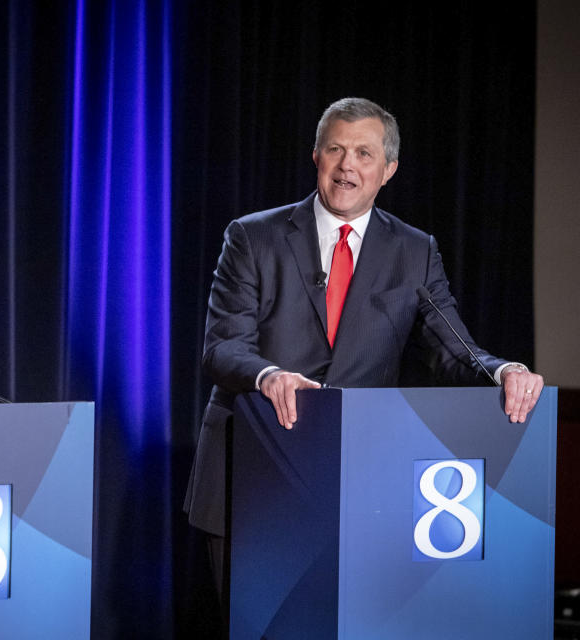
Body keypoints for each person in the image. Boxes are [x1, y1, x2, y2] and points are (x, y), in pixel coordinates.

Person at [183, 97, 544, 601]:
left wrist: (506, 369)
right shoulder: (252, 236)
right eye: (336, 149)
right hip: (254, 474)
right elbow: (222, 347)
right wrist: (269, 376)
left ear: (388, 169)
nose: (347, 164)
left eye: (364, 153)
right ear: (317, 156)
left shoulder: (414, 250)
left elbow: (453, 347)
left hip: (358, 482)